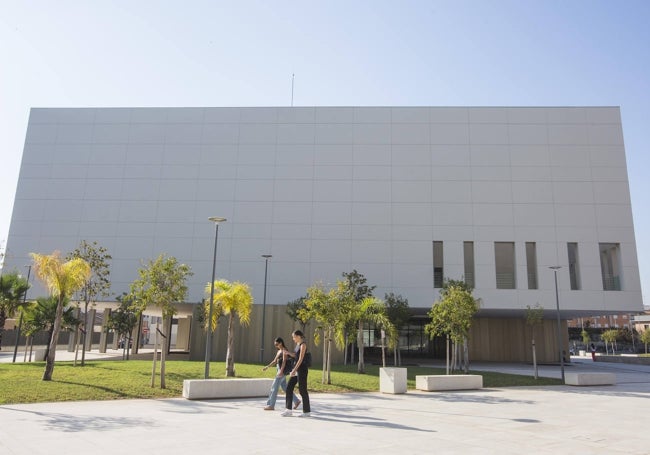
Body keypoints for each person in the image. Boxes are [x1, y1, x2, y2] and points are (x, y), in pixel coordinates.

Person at [261, 337, 301, 411]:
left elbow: (284, 362)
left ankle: (271, 405)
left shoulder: (284, 350)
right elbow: (274, 361)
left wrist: (281, 372)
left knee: (274, 388)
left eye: (277, 344)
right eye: (275, 345)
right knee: (285, 388)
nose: (276, 346)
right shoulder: (279, 351)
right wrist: (267, 367)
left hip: (281, 372)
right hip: (279, 370)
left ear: (281, 343)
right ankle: (296, 401)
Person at [281, 330, 311, 417]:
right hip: (296, 369)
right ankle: (288, 410)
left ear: (298, 336)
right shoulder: (298, 345)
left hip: (301, 370)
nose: (293, 339)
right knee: (289, 388)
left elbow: (301, 359)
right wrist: (288, 353)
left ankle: (306, 412)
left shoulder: (303, 345)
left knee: (302, 390)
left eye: (294, 337)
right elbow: (295, 356)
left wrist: (294, 370)